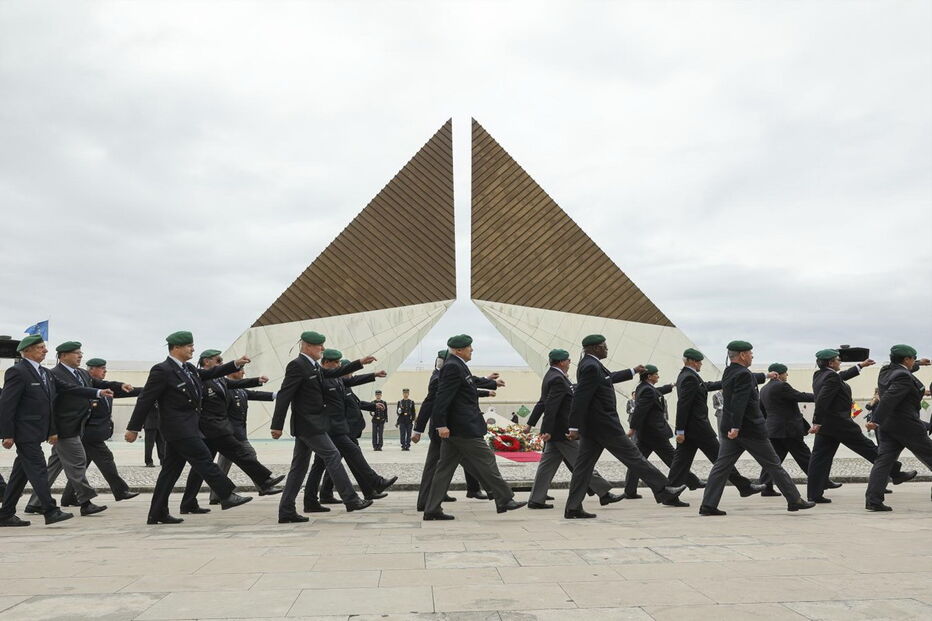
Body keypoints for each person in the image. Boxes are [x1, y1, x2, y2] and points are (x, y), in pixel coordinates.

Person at [125, 331, 253, 524]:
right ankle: (226, 494)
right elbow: (145, 399)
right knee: (203, 458)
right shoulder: (162, 370)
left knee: (170, 472)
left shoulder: (189, 369)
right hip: (178, 429)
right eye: (188, 346)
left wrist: (234, 364)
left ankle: (157, 513)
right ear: (176, 348)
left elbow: (210, 373)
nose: (193, 349)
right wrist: (133, 428)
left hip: (189, 427)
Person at [563, 335, 688, 519]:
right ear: (595, 348)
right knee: (634, 457)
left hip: (595, 426)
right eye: (604, 346)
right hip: (604, 425)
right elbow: (581, 397)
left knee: (583, 467)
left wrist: (632, 371)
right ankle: (664, 489)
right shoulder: (590, 366)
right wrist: (573, 426)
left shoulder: (591, 364)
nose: (607, 349)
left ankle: (573, 508)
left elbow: (608, 378)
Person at [270, 331, 378, 522]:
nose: (322, 348)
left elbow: (333, 372)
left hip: (313, 424)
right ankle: (351, 499)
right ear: (307, 346)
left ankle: (286, 511)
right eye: (319, 345)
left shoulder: (313, 366)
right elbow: (285, 395)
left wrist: (359, 362)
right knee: (332, 454)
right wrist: (276, 425)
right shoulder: (297, 365)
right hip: (308, 424)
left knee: (299, 467)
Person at [699, 341, 815, 516]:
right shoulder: (744, 375)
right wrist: (736, 426)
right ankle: (794, 500)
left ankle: (708, 505)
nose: (753, 356)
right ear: (743, 355)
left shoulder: (730, 371)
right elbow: (740, 401)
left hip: (730, 429)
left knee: (721, 467)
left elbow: (745, 379)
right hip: (749, 430)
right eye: (750, 353)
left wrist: (766, 375)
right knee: (774, 464)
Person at [0, 335, 105, 527]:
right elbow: (7, 405)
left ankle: (5, 513)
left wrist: (97, 392)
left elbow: (68, 388)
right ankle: (50, 510)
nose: (46, 350)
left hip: (36, 431)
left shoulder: (45, 373)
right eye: (41, 347)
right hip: (25, 432)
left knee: (20, 474)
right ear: (28, 351)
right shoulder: (17, 372)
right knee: (39, 470)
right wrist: (7, 434)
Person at [422, 334, 526, 520]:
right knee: (487, 460)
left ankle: (431, 509)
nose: (472, 350)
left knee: (444, 469)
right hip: (463, 428)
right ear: (459, 350)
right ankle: (505, 499)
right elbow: (442, 398)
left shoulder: (458, 365)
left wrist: (492, 383)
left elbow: (470, 382)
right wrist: (441, 425)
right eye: (470, 347)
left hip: (458, 429)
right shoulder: (453, 366)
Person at [24, 341, 129, 517]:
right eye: (76, 353)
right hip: (65, 428)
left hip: (76, 427)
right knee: (78, 463)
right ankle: (85, 502)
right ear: (63, 356)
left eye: (80, 352)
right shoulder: (55, 374)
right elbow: (55, 403)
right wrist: (53, 430)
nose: (80, 356)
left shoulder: (80, 373)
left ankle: (34, 503)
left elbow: (99, 383)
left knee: (53, 467)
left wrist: (120, 386)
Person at [178, 349, 284, 514]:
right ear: (207, 362)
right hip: (211, 429)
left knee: (201, 468)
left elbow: (238, 386)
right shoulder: (200, 378)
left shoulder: (219, 380)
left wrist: (257, 380)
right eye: (218, 360)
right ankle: (264, 482)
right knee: (240, 453)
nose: (221, 364)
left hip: (216, 430)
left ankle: (189, 503)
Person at [807, 349, 915, 503]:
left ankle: (814, 494)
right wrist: (816, 421)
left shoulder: (820, 375)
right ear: (831, 362)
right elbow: (823, 400)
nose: (840, 361)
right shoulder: (831, 377)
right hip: (840, 424)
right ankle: (895, 472)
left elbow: (840, 377)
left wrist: (860, 366)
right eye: (838, 359)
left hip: (827, 426)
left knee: (819, 459)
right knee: (868, 448)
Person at [527, 349, 621, 509]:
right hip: (561, 431)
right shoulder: (557, 379)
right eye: (568, 360)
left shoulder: (552, 376)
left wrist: (531, 424)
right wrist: (547, 430)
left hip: (555, 432)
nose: (570, 363)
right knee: (582, 462)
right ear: (562, 362)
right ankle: (604, 492)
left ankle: (536, 499)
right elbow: (550, 406)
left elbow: (542, 403)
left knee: (547, 466)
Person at [667, 348, 763, 499]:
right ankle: (744, 486)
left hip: (692, 429)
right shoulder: (688, 378)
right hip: (699, 429)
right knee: (721, 459)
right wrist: (679, 430)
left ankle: (670, 492)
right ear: (692, 361)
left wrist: (760, 376)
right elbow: (683, 405)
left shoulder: (689, 376)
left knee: (681, 461)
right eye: (699, 362)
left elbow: (709, 386)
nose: (701, 365)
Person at [413, 349, 497, 511]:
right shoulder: (438, 378)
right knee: (442, 465)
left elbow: (466, 384)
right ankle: (495, 491)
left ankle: (435, 498)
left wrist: (486, 384)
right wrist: (418, 429)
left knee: (451, 464)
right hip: (443, 431)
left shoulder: (445, 374)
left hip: (452, 430)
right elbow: (429, 403)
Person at [311, 355, 394, 507]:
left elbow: (356, 402)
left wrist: (373, 404)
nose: (339, 367)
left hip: (343, 430)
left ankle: (320, 496)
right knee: (350, 458)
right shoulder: (324, 380)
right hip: (338, 430)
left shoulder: (341, 383)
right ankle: (370, 486)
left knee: (326, 463)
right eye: (336, 363)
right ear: (326, 363)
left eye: (340, 364)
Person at [57, 358, 140, 507]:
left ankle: (68, 497)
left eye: (105, 368)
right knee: (106, 458)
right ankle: (120, 491)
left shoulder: (104, 389)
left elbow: (124, 391)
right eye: (101, 368)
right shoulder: (85, 387)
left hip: (94, 434)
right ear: (91, 370)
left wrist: (150, 390)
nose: (105, 371)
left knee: (80, 468)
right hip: (89, 434)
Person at [865, 345, 932, 511]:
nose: (914, 362)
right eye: (913, 359)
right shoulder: (903, 377)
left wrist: (920, 364)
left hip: (888, 426)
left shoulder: (885, 371)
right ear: (906, 359)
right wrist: (875, 419)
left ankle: (873, 500)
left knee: (883, 462)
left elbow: (903, 370)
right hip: (907, 425)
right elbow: (888, 399)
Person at [758, 362, 840, 496]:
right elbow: (799, 396)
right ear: (779, 374)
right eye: (785, 373)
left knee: (774, 460)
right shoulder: (781, 386)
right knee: (806, 457)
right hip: (788, 429)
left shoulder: (764, 389)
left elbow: (762, 410)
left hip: (773, 430)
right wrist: (822, 396)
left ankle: (766, 487)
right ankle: (822, 481)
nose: (787, 375)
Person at [625, 364, 703, 504]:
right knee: (675, 460)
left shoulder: (643, 388)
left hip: (647, 434)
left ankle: (630, 491)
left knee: (637, 461)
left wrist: (670, 386)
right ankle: (691, 482)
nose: (658, 376)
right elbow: (639, 411)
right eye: (656, 374)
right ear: (649, 376)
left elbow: (657, 393)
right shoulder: (647, 391)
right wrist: (632, 429)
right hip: (655, 433)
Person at [208, 366, 275, 505]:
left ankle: (216, 495)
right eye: (241, 370)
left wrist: (275, 395)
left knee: (223, 465)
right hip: (232, 434)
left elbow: (254, 394)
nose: (244, 372)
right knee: (249, 454)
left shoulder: (239, 388)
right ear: (232, 372)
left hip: (235, 433)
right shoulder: (225, 388)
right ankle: (264, 486)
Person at [143, 401, 164, 467]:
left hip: (160, 424)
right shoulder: (148, 397)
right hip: (150, 424)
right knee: (149, 445)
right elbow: (141, 411)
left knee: (162, 443)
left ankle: (163, 460)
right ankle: (148, 461)